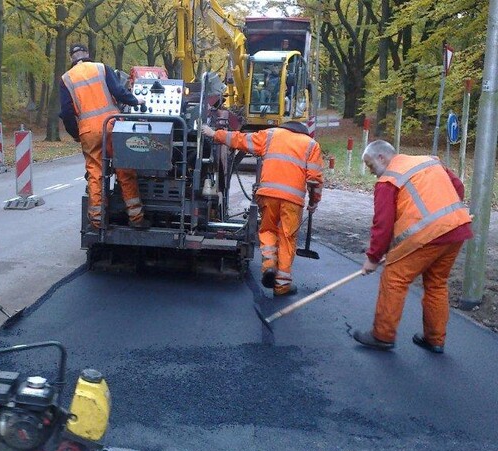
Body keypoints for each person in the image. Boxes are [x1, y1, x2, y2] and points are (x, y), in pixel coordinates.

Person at [352, 140, 473, 353]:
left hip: (428, 235)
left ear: (382, 157)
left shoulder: (388, 180)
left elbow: (383, 223)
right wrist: (445, 217)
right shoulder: (429, 161)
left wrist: (373, 258)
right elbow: (458, 187)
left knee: (394, 279)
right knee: (436, 283)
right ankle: (435, 339)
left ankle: (382, 335)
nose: (372, 172)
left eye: (371, 165)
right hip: (456, 228)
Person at [201, 121, 323, 296]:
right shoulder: (311, 145)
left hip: (267, 195)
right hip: (292, 201)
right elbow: (315, 179)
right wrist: (314, 201)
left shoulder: (270, 135)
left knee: (267, 230)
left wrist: (214, 134)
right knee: (287, 238)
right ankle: (282, 286)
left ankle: (268, 267)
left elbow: (240, 139)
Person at [59, 43, 149, 230]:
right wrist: (135, 100)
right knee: (124, 169)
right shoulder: (101, 68)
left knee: (95, 174)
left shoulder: (66, 79)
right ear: (88, 54)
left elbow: (67, 113)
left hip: (89, 132)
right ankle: (136, 217)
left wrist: (76, 134)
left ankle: (98, 221)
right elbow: (119, 92)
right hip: (112, 124)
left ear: (71, 59)